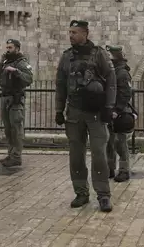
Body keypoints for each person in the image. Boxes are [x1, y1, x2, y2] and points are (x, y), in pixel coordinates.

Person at [55, 20, 117, 212]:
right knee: (76, 155)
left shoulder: (99, 54)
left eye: (74, 32)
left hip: (96, 113)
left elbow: (111, 81)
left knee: (99, 154)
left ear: (85, 34)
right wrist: (59, 109)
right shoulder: (66, 57)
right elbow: (60, 84)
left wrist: (109, 107)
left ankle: (103, 195)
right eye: (69, 32)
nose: (71, 35)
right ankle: (81, 192)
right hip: (74, 112)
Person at [0, 38, 34, 167]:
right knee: (8, 129)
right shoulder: (6, 61)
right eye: (7, 47)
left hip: (15, 99)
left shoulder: (21, 63)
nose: (8, 50)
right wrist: (1, 63)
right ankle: (10, 154)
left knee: (16, 128)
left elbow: (29, 79)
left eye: (10, 48)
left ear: (17, 48)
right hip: (5, 97)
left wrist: (16, 71)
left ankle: (16, 156)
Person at [105, 45, 135, 183]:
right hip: (110, 111)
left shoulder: (122, 73)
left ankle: (124, 170)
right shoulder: (112, 71)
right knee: (109, 142)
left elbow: (125, 93)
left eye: (110, 55)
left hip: (119, 113)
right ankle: (109, 168)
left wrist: (117, 109)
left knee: (120, 143)